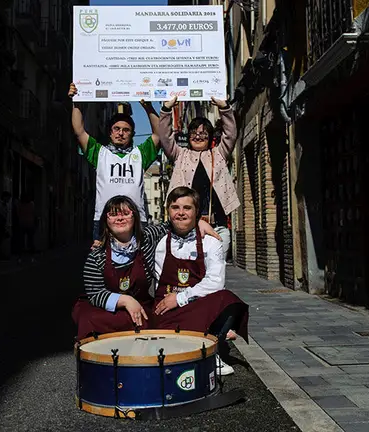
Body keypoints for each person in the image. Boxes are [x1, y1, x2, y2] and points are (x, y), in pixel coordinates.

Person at [72, 195, 220, 340]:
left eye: (126, 213)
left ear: (135, 217)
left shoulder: (147, 239)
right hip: (109, 309)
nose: (120, 218)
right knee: (90, 318)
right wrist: (125, 301)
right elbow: (96, 294)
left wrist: (199, 222)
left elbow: (176, 222)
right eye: (113, 214)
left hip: (140, 305)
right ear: (106, 220)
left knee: (144, 320)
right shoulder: (97, 255)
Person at [153, 187, 249, 375]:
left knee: (227, 299)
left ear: (197, 212)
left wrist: (180, 298)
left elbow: (215, 282)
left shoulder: (211, 242)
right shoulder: (157, 240)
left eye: (187, 208)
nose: (181, 213)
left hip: (196, 307)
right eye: (175, 207)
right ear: (168, 211)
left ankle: (211, 350)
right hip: (166, 309)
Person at [68, 83, 161, 241]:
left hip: (137, 220)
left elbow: (159, 134)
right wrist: (76, 102)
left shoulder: (140, 153)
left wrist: (148, 107)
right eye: (116, 129)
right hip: (104, 219)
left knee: (137, 265)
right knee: (104, 265)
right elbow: (79, 131)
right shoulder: (100, 153)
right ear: (110, 133)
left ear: (132, 134)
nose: (121, 133)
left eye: (126, 130)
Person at [158, 96, 240, 261]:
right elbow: (165, 138)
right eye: (194, 133)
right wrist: (166, 110)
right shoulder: (180, 155)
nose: (198, 136)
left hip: (218, 225)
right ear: (188, 137)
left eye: (203, 133)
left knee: (216, 273)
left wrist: (224, 108)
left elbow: (230, 134)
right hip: (187, 228)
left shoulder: (219, 153)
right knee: (190, 271)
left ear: (210, 137)